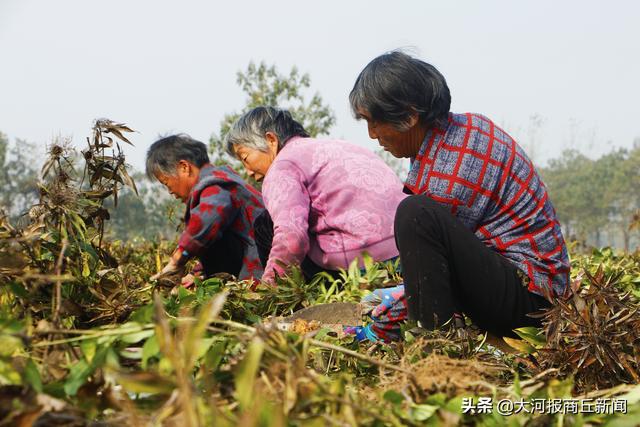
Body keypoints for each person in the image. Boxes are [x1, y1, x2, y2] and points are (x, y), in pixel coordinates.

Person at [349, 51, 570, 339]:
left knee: (415, 214)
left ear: (409, 116)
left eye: (374, 122)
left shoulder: (452, 168)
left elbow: (435, 279)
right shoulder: (457, 133)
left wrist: (379, 330)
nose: (372, 134)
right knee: (418, 214)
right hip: (516, 287)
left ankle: (432, 343)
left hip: (534, 305)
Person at [224, 106, 406, 283]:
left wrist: (269, 286)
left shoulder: (282, 166)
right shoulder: (338, 146)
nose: (248, 171)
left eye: (245, 158)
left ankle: (286, 294)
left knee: (265, 224)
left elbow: (292, 239)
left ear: (271, 140)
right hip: (405, 251)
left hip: (363, 265)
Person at [146, 134, 264, 283]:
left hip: (263, 270)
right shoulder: (224, 177)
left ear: (184, 167)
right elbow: (218, 239)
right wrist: (197, 274)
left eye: (166, 183)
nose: (170, 191)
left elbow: (210, 216)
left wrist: (177, 259)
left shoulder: (214, 185)